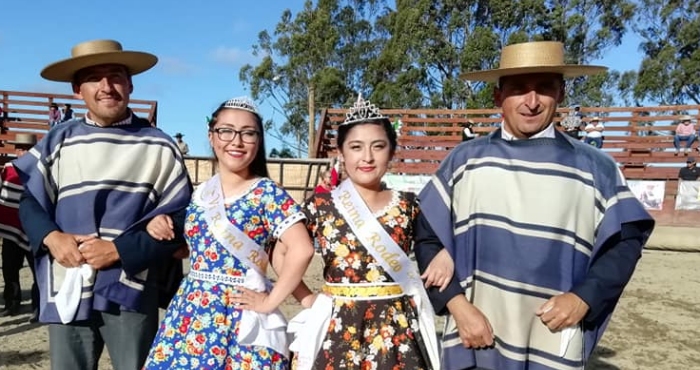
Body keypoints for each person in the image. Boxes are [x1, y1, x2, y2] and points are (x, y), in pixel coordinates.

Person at [414, 41, 655, 370]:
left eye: (544, 88)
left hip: (551, 340)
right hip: (475, 335)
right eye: (517, 89)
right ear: (498, 96)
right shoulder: (464, 161)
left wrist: (585, 297)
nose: (531, 102)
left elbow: (625, 242)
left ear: (562, 94)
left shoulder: (596, 167)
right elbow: (427, 235)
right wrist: (458, 307)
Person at [14, 39, 193, 370]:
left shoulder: (158, 145)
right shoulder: (58, 141)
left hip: (132, 284)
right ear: (77, 89)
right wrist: (53, 238)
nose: (107, 87)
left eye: (116, 76)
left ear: (130, 84)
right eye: (95, 78)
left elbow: (183, 216)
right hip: (67, 278)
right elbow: (30, 201)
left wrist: (121, 250)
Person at [142, 97, 316, 370]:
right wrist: (158, 222)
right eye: (226, 131)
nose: (236, 141)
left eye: (248, 133)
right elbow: (193, 246)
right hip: (191, 311)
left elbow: (302, 249)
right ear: (212, 137)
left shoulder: (266, 192)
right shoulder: (200, 193)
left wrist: (270, 301)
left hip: (240, 313)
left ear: (258, 142)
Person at [283, 94, 450, 370]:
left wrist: (446, 253)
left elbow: (438, 242)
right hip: (338, 327)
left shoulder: (409, 204)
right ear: (341, 153)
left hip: (396, 329)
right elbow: (281, 250)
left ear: (392, 152)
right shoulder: (321, 204)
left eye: (378, 146)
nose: (367, 157)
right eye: (356, 147)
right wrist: (305, 297)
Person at [0, 133, 40, 323]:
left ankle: (38, 307)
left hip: (33, 230)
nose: (22, 152)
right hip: (10, 229)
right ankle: (11, 303)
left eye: (26, 148)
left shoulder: (41, 169)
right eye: (19, 148)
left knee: (37, 270)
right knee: (9, 268)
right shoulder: (7, 168)